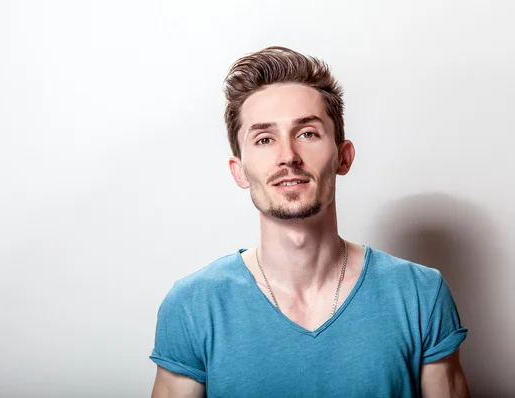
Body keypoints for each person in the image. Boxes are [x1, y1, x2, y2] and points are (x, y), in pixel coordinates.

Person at [149, 46, 469, 397]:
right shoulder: (194, 304)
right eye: (265, 139)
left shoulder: (419, 293)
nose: (288, 156)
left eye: (307, 134)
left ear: (343, 157)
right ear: (239, 171)